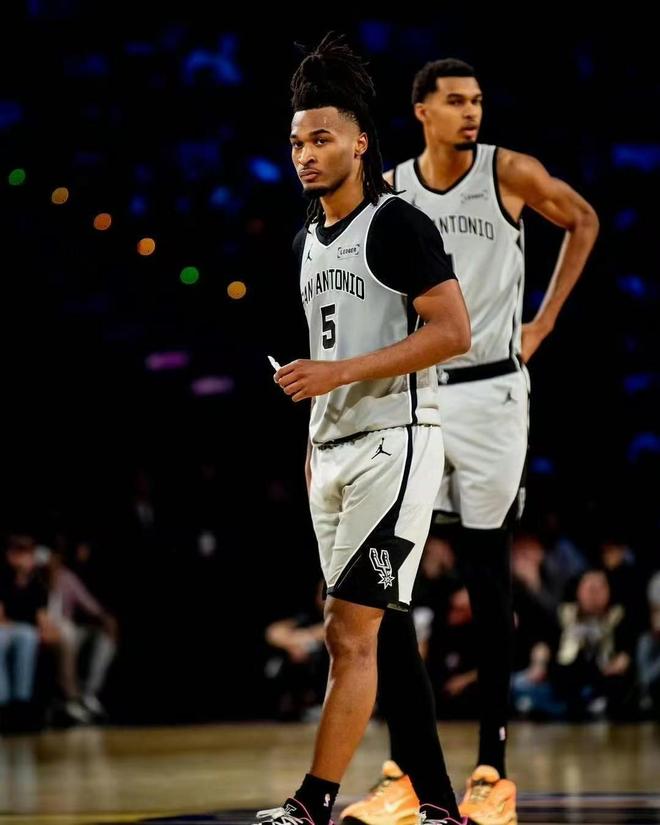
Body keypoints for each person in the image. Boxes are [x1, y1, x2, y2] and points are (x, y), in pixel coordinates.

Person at [341, 58, 598, 825]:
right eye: (455, 101)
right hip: (417, 390)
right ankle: (407, 772)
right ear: (421, 111)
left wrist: (544, 322)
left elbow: (583, 220)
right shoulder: (391, 190)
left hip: (492, 391)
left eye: (477, 100)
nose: (471, 112)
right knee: (392, 579)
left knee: (489, 578)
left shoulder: (508, 172)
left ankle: (493, 772)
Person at [253, 34, 471, 825]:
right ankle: (439, 805)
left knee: (347, 633)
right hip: (334, 451)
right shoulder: (304, 240)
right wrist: (314, 431)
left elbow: (454, 331)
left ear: (359, 142)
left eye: (321, 139)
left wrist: (337, 375)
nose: (305, 155)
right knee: (382, 633)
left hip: (396, 440)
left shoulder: (399, 224)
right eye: (296, 143)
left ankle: (312, 802)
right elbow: (330, 354)